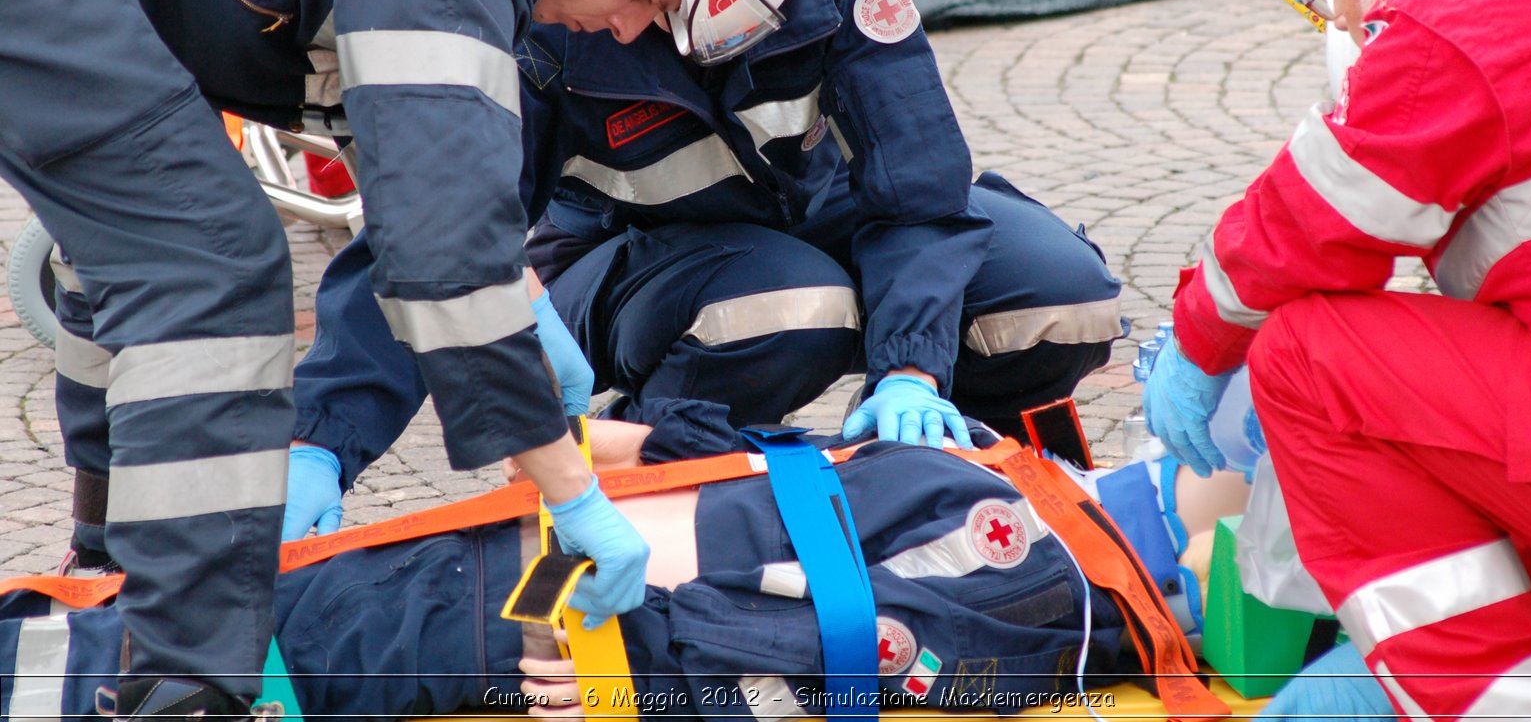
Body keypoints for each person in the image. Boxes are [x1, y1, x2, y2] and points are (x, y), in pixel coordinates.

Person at [0, 0, 683, 714]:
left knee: (138, 237)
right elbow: (439, 252)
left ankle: (105, 562)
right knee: (208, 258)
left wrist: (517, 294)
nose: (629, 30)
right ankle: (185, 694)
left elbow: (391, 138)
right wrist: (572, 491)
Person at [283, 0, 1126, 536]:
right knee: (784, 303)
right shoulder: (533, 10)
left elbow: (918, 187)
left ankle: (967, 499)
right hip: (626, 263)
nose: (627, 29)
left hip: (819, 226)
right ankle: (652, 492)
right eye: (648, 0)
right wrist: (323, 440)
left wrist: (910, 368)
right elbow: (435, 227)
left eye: (655, 6)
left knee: (1061, 298)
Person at [1141, 0, 1531, 718]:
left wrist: (1195, 348)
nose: (1345, 24)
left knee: (1310, 357)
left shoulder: (1452, 24)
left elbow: (1304, 227)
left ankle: (1501, 689)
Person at [1, 404, 1252, 721]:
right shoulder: (1020, 489)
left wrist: (641, 677)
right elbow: (800, 476)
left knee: (286, 647)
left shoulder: (1042, 568)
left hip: (581, 615)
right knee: (293, 618)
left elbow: (845, 647)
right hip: (581, 560)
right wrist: (622, 438)